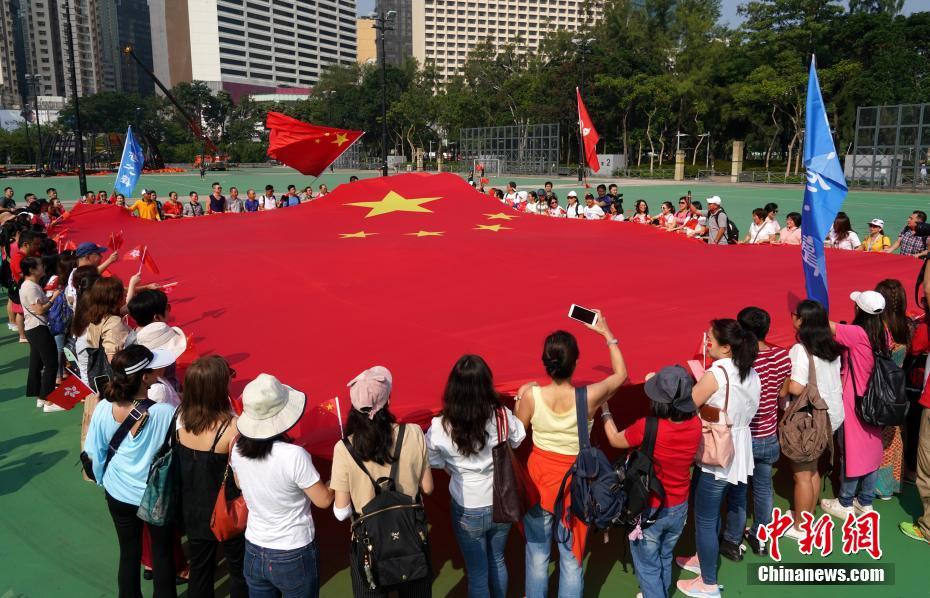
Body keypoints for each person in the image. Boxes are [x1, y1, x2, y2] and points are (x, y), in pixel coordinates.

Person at [514, 312, 627, 598]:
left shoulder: (531, 396)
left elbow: (516, 434)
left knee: (537, 556)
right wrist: (606, 333)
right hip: (576, 485)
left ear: (546, 363)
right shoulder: (589, 396)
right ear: (575, 363)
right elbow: (621, 375)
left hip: (538, 484)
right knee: (571, 557)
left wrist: (518, 398)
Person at [84, 344, 179, 598]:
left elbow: (94, 453)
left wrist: (103, 480)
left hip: (117, 493)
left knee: (128, 553)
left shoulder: (103, 408)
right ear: (145, 377)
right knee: (162, 554)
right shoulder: (165, 413)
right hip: (155, 497)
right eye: (153, 369)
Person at [427, 355, 526, 598]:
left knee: (477, 573)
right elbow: (517, 439)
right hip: (501, 500)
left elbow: (431, 458)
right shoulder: (500, 415)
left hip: (467, 507)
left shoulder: (441, 425)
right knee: (497, 560)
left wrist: (451, 467)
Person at [330, 366, 434, 597]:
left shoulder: (343, 448)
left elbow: (341, 512)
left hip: (369, 545)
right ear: (388, 400)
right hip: (411, 536)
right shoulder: (414, 433)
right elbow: (428, 487)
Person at [676, 319, 760, 598]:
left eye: (710, 338)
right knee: (717, 511)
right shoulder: (751, 372)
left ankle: (708, 583)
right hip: (739, 448)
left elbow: (687, 404)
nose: (706, 343)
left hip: (717, 450)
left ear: (726, 347)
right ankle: (704, 559)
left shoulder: (717, 373)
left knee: (705, 518)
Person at [601, 365, 701, 598]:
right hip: (679, 508)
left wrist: (605, 409)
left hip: (651, 508)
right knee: (664, 555)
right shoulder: (696, 424)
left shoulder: (648, 426)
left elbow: (615, 439)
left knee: (647, 566)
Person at [231, 373, 334, 597]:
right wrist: (334, 479)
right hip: (293, 550)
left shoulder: (236, 449)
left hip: (254, 547)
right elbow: (324, 500)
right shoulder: (293, 455)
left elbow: (239, 484)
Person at [176, 356, 246, 598]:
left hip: (193, 507)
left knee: (200, 570)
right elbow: (242, 477)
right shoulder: (233, 427)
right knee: (239, 570)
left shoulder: (180, 417)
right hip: (228, 509)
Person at [725, 307, 790, 557]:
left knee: (738, 490)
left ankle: (732, 540)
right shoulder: (782, 356)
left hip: (744, 437)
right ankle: (760, 538)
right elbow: (782, 392)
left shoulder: (741, 362)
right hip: (768, 436)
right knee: (764, 488)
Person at [819, 291, 886, 521]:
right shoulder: (882, 333)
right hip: (875, 399)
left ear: (860, 310)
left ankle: (845, 502)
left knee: (851, 451)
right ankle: (865, 501)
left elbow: (824, 325)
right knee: (871, 452)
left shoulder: (857, 333)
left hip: (853, 400)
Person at [782, 300, 845, 540]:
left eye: (794, 314)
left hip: (809, 419)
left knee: (802, 475)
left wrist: (782, 382)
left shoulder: (801, 350)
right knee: (813, 468)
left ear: (801, 320)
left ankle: (800, 527)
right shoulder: (831, 346)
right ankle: (807, 516)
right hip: (830, 416)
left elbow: (797, 387)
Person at [874, 279, 909, 499]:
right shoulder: (905, 327)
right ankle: (890, 485)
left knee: (877, 437)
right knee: (894, 435)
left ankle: (878, 486)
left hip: (879, 388)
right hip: (897, 388)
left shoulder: (880, 330)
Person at [20, 256, 62, 411]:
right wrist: (54, 297)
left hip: (33, 328)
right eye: (39, 265)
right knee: (51, 363)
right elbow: (39, 310)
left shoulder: (30, 285)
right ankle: (47, 399)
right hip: (38, 328)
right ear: (32, 270)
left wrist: (50, 296)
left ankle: (39, 395)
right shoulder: (30, 287)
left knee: (36, 363)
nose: (43, 267)